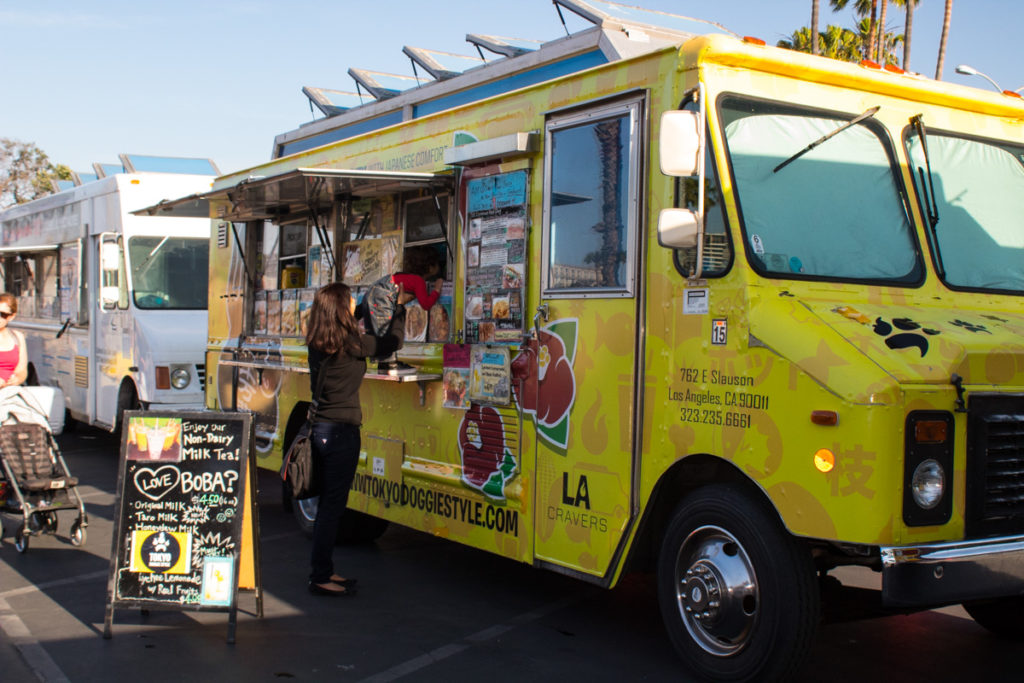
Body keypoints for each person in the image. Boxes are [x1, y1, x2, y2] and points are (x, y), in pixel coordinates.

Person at [304, 282, 405, 597]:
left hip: (321, 430)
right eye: (349, 302)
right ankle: (320, 575)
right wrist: (398, 307)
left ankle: (324, 570)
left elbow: (352, 318)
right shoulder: (352, 343)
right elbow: (393, 342)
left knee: (327, 508)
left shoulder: (319, 340)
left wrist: (366, 304)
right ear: (339, 309)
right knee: (333, 508)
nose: (353, 306)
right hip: (341, 433)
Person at [0, 293, 28, 388]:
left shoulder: (17, 337)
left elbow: (22, 370)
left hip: (8, 394)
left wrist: (18, 379)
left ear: (11, 316)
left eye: (2, 314)